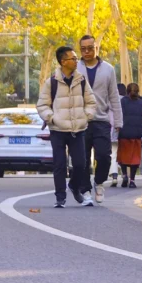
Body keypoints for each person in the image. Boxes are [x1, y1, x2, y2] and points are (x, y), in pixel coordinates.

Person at [37, 45, 96, 207]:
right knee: (59, 164)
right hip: (58, 129)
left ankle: (74, 186)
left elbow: (91, 102)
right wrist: (51, 118)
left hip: (78, 129)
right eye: (73, 58)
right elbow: (42, 105)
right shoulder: (52, 82)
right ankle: (60, 197)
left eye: (76, 58)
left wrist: (86, 116)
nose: (77, 61)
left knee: (80, 164)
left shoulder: (81, 80)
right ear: (63, 62)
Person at [77, 34, 122, 202]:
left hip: (102, 120)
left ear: (97, 48)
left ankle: (99, 182)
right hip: (80, 121)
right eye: (83, 49)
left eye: (90, 48)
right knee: (81, 159)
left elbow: (114, 97)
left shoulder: (108, 69)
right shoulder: (75, 68)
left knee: (104, 156)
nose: (87, 52)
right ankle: (86, 190)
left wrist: (118, 121)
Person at [116, 82, 142, 188]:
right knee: (135, 158)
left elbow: (118, 115)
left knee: (123, 157)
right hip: (137, 135)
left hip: (124, 133)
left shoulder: (122, 102)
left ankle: (124, 175)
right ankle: (132, 180)